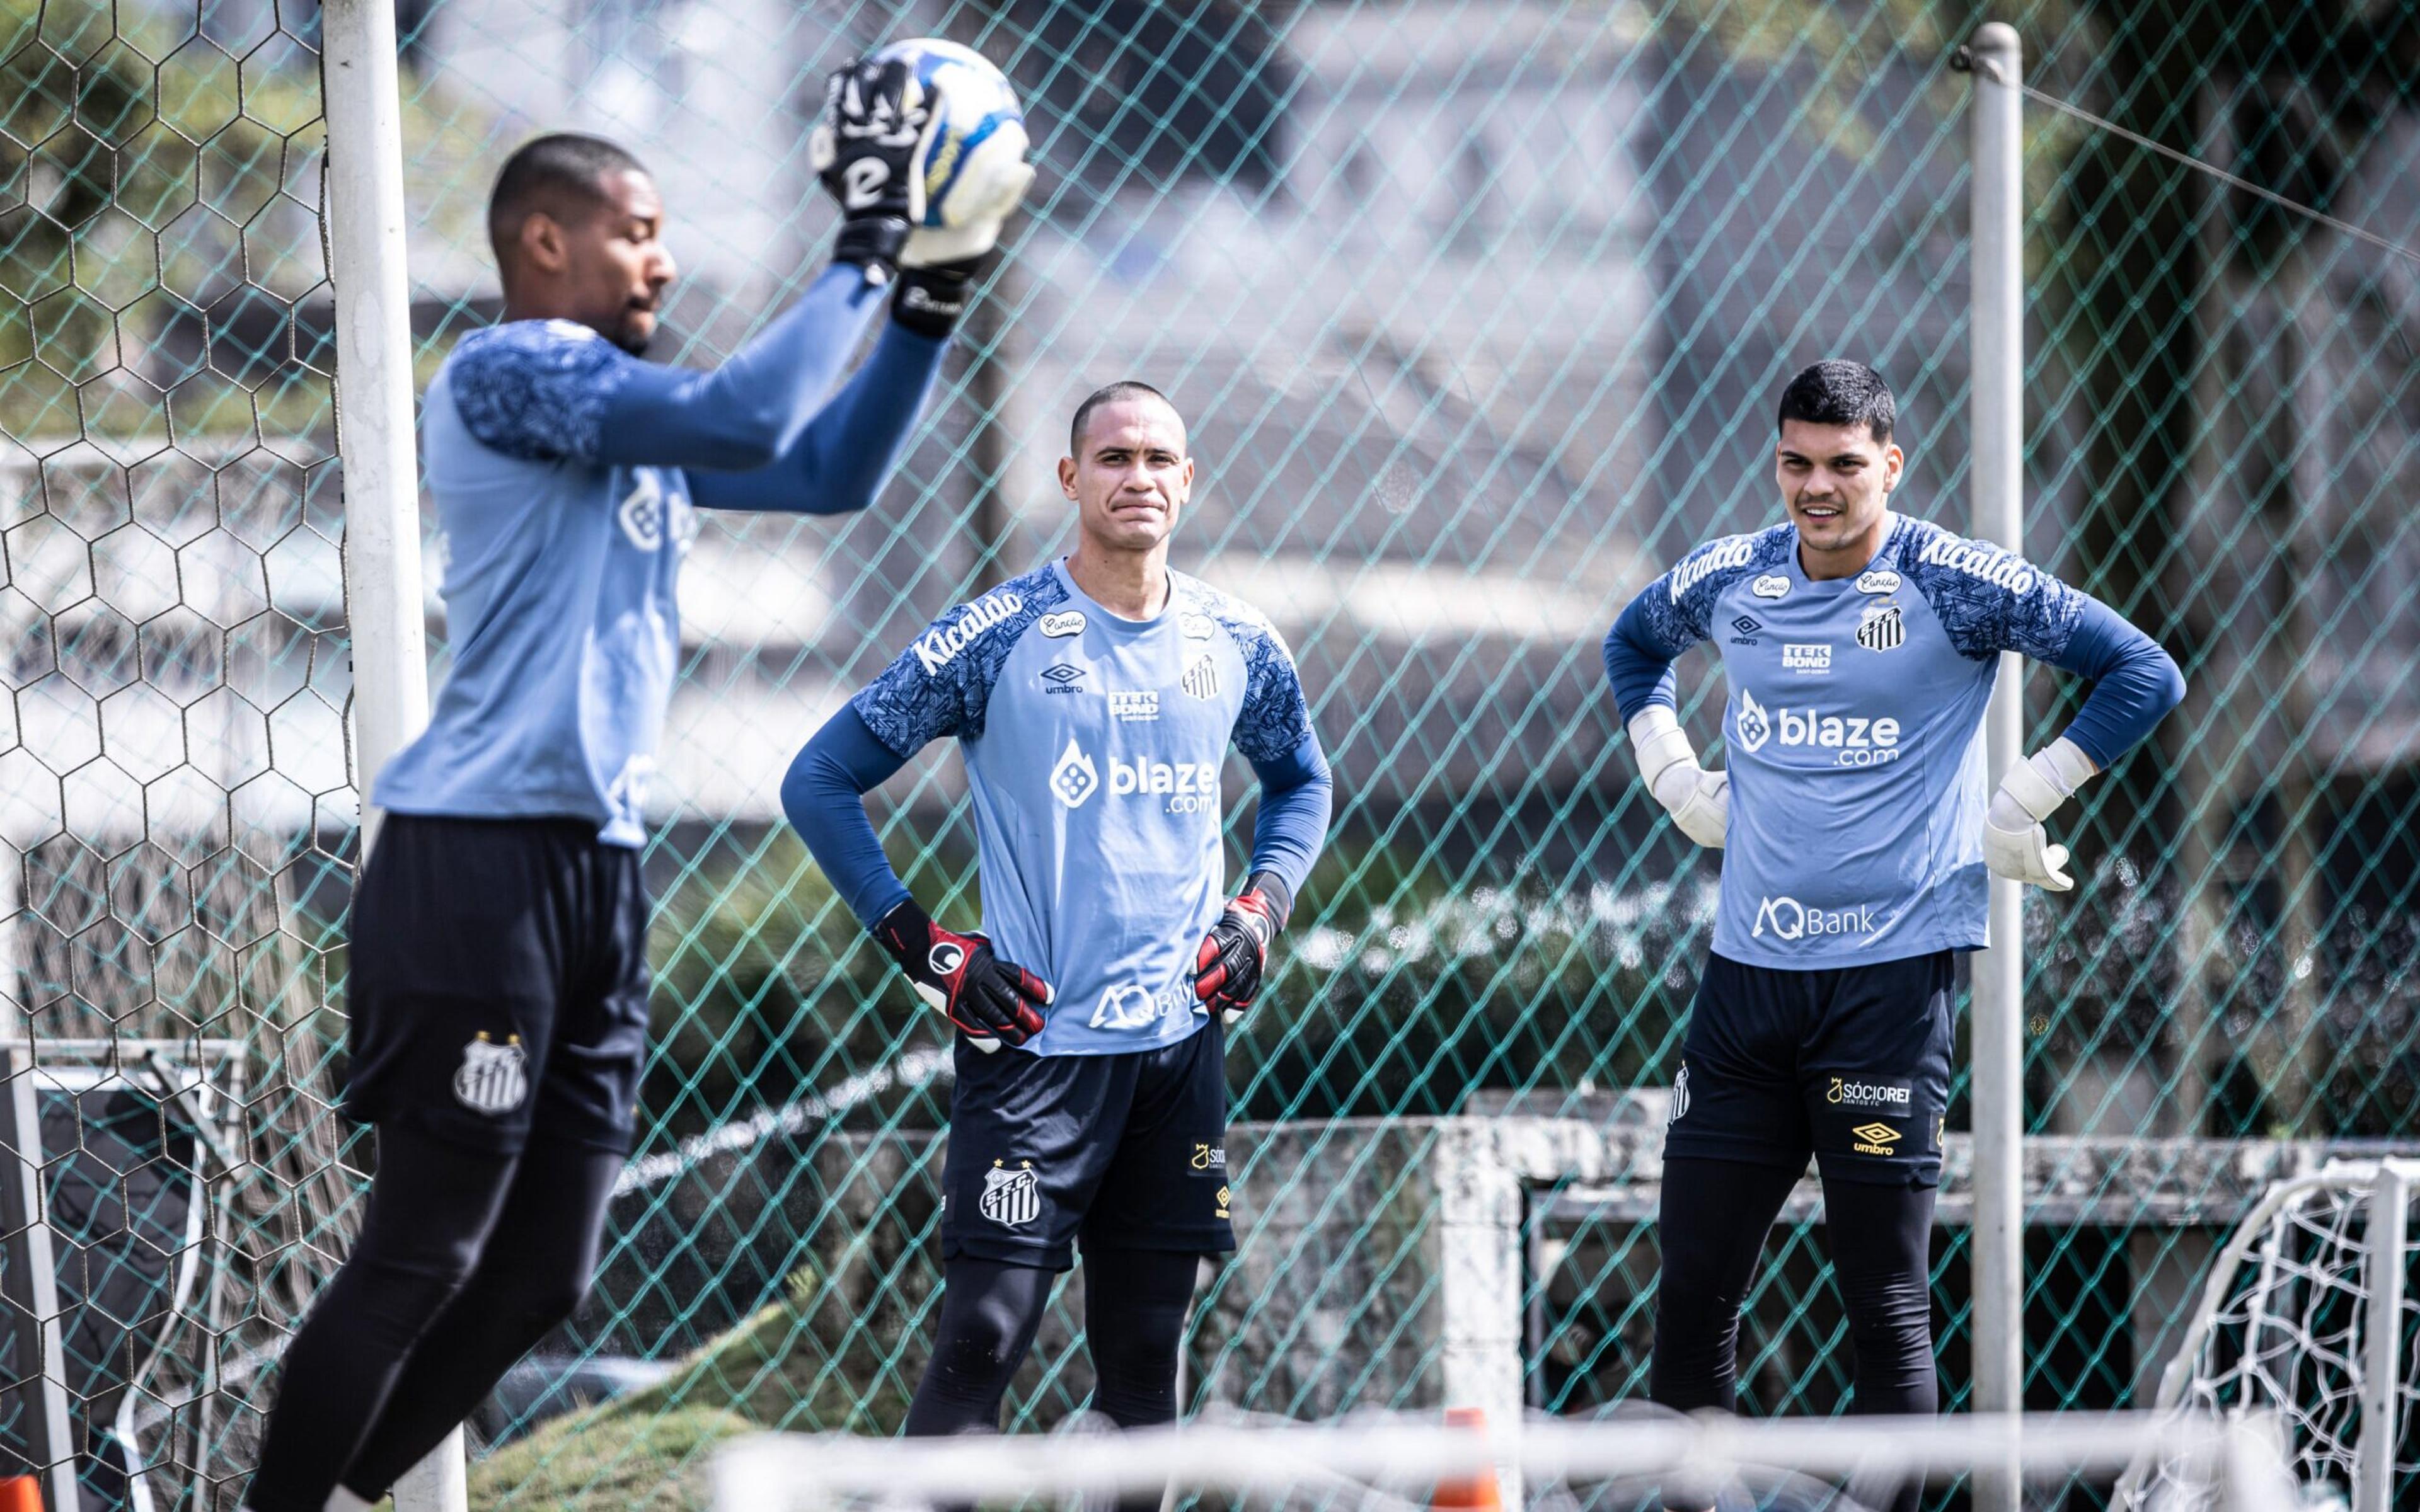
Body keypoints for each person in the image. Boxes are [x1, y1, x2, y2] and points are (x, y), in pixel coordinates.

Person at [241, 49, 1030, 1512]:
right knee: (424, 1254)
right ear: (547, 241)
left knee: (548, 1271)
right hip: (475, 863)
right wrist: (865, 237)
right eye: (639, 229)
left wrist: (923, 293)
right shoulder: (516, 370)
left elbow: (827, 469)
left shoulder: (621, 419)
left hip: (596, 869)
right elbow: (747, 417)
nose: (663, 257)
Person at [1600, 360, 2186, 1512]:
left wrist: (2026, 799)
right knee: (1695, 1292)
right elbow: (1632, 644)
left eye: (1844, 467)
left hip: (1887, 990)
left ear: (1892, 467)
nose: (1818, 490)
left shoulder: (1953, 582)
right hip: (1745, 990)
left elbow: (2143, 671)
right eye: (1797, 464)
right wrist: (1671, 771)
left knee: (1888, 1305)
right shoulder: (1733, 574)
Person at [783, 382, 1332, 1504]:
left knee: (1143, 1369)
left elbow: (1302, 782)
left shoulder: (1237, 640)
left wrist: (1262, 909)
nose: (1139, 477)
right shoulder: (998, 635)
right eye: (1114, 457)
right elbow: (819, 780)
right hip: (1036, 1056)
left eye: (1160, 458)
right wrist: (924, 946)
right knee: (982, 1343)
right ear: (1071, 479)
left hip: (1178, 1059)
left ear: (1189, 480)